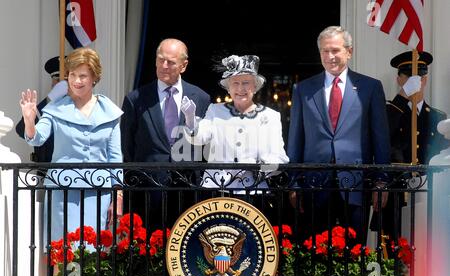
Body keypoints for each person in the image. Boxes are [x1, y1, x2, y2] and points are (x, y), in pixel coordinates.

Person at [287, 26, 391, 241]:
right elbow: (296, 139)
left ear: (349, 51)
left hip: (355, 184)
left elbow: (380, 137)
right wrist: (294, 182)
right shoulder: (303, 89)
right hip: (315, 185)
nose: (330, 56)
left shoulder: (370, 87)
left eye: (335, 50)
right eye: (325, 51)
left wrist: (381, 181)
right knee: (312, 251)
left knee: (355, 251)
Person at [19, 47, 123, 243]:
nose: (76, 81)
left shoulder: (109, 111)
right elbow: (37, 138)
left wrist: (117, 197)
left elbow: (115, 158)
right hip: (62, 190)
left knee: (92, 252)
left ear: (94, 77)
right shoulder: (56, 108)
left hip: (97, 192)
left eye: (83, 76)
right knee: (63, 249)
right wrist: (29, 120)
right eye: (72, 75)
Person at [180, 54, 289, 222]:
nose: (240, 89)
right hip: (217, 192)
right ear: (228, 88)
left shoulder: (270, 116)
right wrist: (190, 119)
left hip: (253, 194)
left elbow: (279, 158)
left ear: (255, 86)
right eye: (235, 83)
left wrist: (260, 167)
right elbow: (200, 137)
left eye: (246, 83)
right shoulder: (215, 111)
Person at [120, 38, 211, 228]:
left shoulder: (201, 98)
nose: (164, 65)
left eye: (171, 62)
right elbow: (126, 146)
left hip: (187, 192)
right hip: (146, 190)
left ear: (183, 66)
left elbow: (206, 147)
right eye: (160, 59)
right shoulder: (135, 99)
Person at [372, 51, 450, 242]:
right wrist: (402, 97)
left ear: (425, 80)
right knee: (393, 247)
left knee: (426, 247)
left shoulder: (438, 118)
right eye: (407, 77)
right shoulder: (388, 111)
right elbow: (381, 136)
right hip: (395, 192)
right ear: (399, 80)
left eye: (419, 77)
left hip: (427, 193)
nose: (414, 82)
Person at [15, 56, 68, 162]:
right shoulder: (46, 107)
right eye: (58, 80)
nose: (62, 85)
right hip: (45, 171)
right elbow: (21, 130)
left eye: (66, 81)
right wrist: (49, 100)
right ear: (53, 83)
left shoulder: (82, 106)